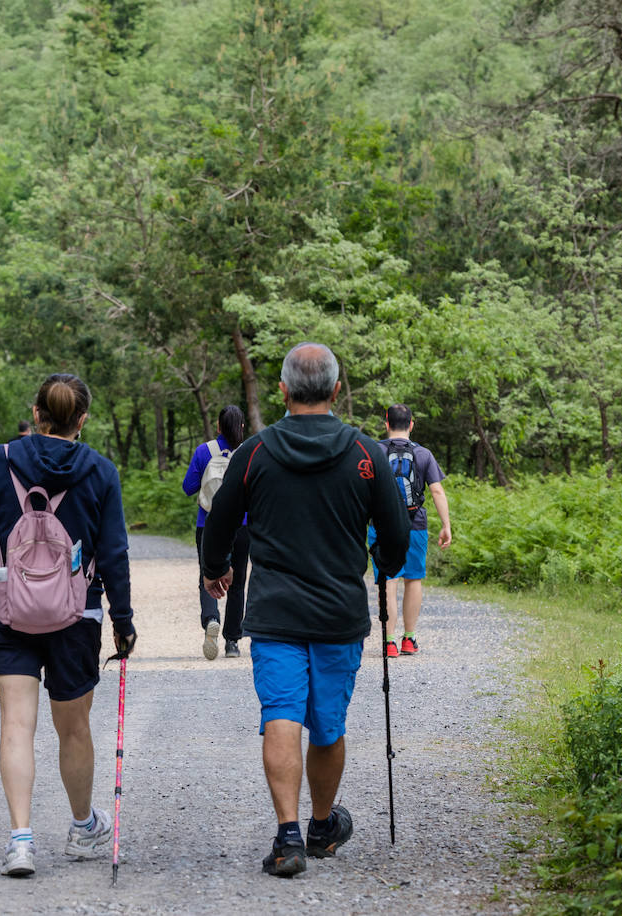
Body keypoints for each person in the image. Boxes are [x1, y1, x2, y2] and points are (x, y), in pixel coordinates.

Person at [202, 343, 409, 878]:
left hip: (275, 615)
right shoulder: (366, 454)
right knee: (327, 727)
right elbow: (396, 532)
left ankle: (288, 836)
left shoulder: (255, 452)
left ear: (283, 389)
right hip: (339, 614)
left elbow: (219, 519)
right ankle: (321, 826)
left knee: (280, 717)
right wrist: (384, 563)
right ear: (336, 390)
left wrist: (216, 568)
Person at [0, 373, 136, 878]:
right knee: (73, 727)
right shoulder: (100, 470)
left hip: (9, 611)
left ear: (36, 413)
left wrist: (3, 578)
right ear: (82, 420)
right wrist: (122, 621)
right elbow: (116, 553)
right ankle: (82, 827)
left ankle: (20, 840)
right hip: (77, 615)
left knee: (17, 723)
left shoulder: (1, 460)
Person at [374, 404, 452, 658]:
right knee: (413, 578)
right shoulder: (424, 454)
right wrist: (446, 525)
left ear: (386, 423)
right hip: (415, 523)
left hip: (381, 524)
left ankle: (389, 641)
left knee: (389, 580)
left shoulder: (373, 451)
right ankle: (409, 638)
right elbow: (437, 490)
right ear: (411, 424)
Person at [181, 405, 250, 659]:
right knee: (238, 582)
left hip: (207, 524)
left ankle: (211, 618)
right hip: (242, 526)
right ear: (242, 427)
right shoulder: (249, 452)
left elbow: (188, 487)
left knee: (207, 577)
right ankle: (232, 641)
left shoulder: (204, 451)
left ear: (218, 426)